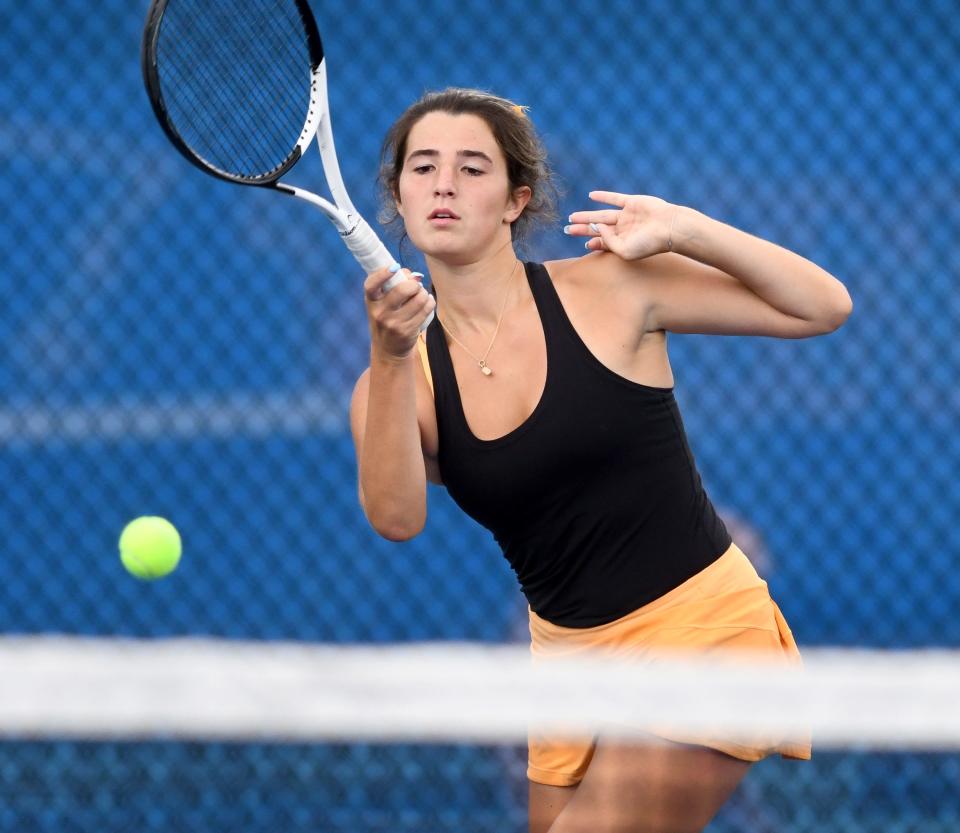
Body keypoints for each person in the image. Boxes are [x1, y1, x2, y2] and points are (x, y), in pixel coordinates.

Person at [349, 88, 852, 833]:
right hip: (567, 667)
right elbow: (395, 517)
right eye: (422, 167)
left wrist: (687, 230)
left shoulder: (612, 289)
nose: (444, 184)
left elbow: (822, 305)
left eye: (472, 167)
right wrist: (390, 358)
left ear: (516, 200)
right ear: (399, 195)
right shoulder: (394, 377)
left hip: (705, 630)